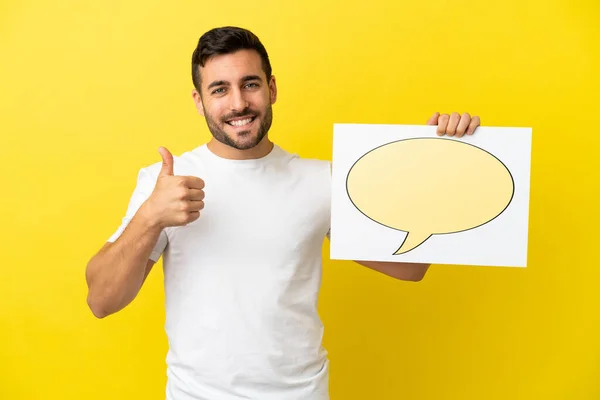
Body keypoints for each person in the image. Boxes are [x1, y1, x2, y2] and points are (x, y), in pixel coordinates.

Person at [85, 26, 481, 400]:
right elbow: (101, 300)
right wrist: (150, 216)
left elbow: (411, 267)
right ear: (198, 100)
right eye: (219, 89)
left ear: (272, 88)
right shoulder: (165, 183)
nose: (238, 103)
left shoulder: (322, 179)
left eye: (250, 84)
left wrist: (443, 164)